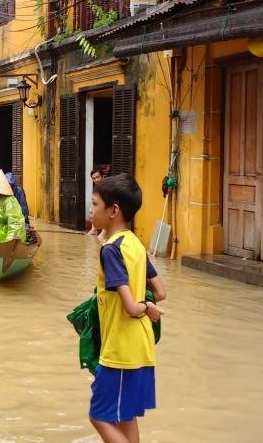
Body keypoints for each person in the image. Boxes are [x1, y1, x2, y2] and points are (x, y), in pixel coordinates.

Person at [88, 173, 166, 442]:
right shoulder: (135, 244)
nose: (91, 209)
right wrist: (149, 304)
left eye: (95, 204)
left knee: (99, 416)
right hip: (141, 346)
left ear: (114, 211)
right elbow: (161, 291)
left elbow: (132, 308)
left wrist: (145, 306)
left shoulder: (111, 250)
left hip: (121, 349)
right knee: (124, 415)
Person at [88, 169, 108, 238]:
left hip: (109, 208)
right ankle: (94, 229)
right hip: (102, 207)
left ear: (103, 177)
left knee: (106, 211)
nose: (96, 180)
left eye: (97, 177)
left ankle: (104, 233)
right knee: (91, 209)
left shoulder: (107, 187)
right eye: (94, 178)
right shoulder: (96, 188)